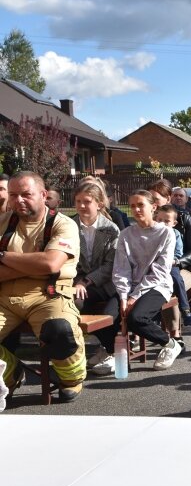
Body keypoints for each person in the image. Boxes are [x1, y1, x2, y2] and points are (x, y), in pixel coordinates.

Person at [0, 172, 86, 402]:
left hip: (48, 296)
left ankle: (71, 379)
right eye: (13, 195)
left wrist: (3, 255)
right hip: (5, 297)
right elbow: (44, 264)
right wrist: (34, 265)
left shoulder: (63, 223)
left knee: (59, 330)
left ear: (43, 195)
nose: (19, 200)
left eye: (26, 194)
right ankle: (10, 373)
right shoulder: (2, 222)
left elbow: (51, 263)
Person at [114, 189, 182, 370]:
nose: (136, 210)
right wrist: (123, 295)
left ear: (153, 207)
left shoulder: (166, 233)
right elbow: (121, 269)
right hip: (131, 286)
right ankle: (108, 351)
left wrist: (134, 297)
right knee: (110, 316)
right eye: (132, 206)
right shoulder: (126, 234)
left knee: (137, 318)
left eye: (140, 205)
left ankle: (171, 344)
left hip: (157, 285)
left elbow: (160, 271)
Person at [147, 180, 191, 348]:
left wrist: (176, 262)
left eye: (155, 198)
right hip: (157, 268)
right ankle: (148, 333)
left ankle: (176, 336)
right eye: (149, 197)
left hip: (187, 267)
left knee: (170, 285)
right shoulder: (150, 219)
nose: (151, 201)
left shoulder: (184, 217)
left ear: (167, 198)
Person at [72, 180, 122, 376]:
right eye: (78, 201)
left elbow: (110, 265)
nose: (82, 206)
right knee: (74, 304)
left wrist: (86, 280)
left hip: (105, 282)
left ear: (99, 204)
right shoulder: (69, 225)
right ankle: (83, 350)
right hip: (77, 280)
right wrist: (77, 280)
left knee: (95, 308)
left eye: (87, 201)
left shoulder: (110, 229)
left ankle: (110, 350)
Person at [157, 204, 191, 327]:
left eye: (167, 221)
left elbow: (178, 253)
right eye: (160, 220)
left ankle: (185, 309)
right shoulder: (153, 233)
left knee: (177, 279)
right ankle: (155, 317)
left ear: (174, 223)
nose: (163, 223)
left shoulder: (175, 234)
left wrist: (171, 261)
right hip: (155, 266)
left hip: (171, 264)